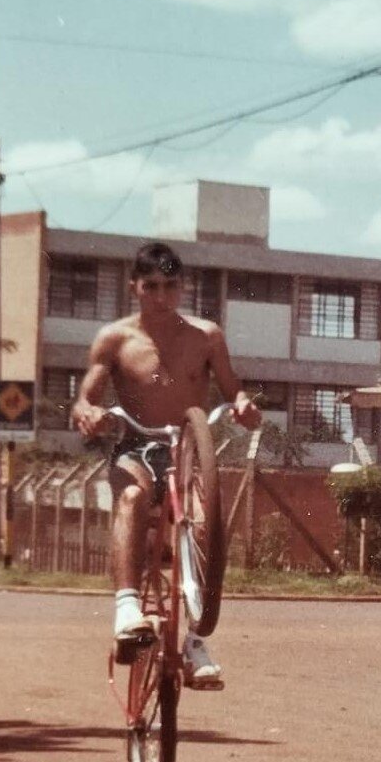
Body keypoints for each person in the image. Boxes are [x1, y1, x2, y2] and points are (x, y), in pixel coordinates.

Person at [70, 241, 260, 687]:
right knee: (132, 497)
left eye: (170, 286)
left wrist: (244, 405)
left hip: (188, 451)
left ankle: (195, 642)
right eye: (151, 286)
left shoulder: (206, 336)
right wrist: (87, 412)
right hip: (136, 445)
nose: (160, 296)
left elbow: (234, 389)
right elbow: (87, 396)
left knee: (201, 520)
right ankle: (126, 609)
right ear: (134, 286)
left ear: (182, 287)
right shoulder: (115, 338)